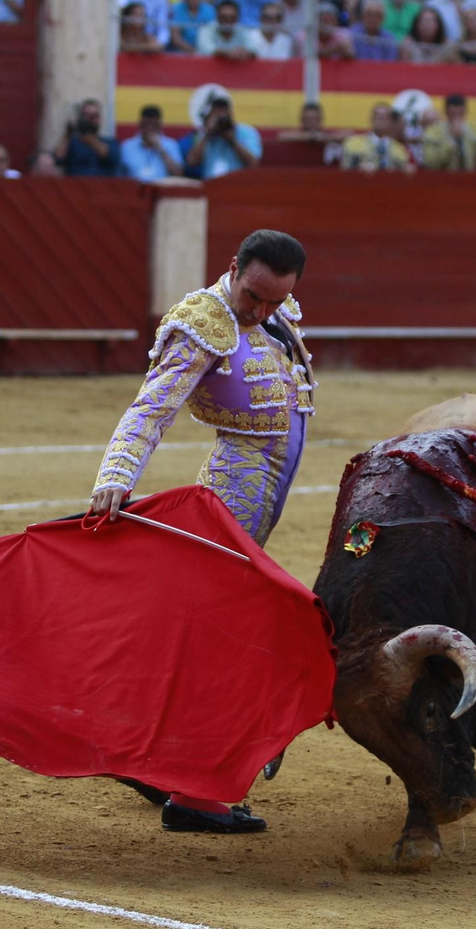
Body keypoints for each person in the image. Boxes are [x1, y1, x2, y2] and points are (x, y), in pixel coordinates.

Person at [87, 229, 313, 832]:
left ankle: (151, 757)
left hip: (263, 493)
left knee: (209, 632)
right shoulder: (201, 323)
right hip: (231, 496)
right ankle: (193, 792)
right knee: (222, 636)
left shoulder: (275, 311)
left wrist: (267, 311)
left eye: (275, 301)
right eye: (254, 297)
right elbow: (150, 409)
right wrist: (116, 474)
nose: (262, 312)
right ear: (232, 267)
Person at [184, 95, 262, 178]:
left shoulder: (246, 132)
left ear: (231, 115)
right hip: (211, 185)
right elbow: (191, 162)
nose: (221, 123)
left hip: (237, 184)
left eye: (223, 118)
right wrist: (207, 135)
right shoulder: (206, 134)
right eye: (217, 118)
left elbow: (253, 163)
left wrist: (232, 141)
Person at [339, 101, 412, 171]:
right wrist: (358, 169)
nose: (381, 119)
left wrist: (407, 169)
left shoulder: (399, 149)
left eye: (385, 117)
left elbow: (404, 173)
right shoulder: (353, 144)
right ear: (371, 118)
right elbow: (345, 170)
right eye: (378, 116)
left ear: (391, 121)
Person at [120, 104, 185, 181]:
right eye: (146, 125)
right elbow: (119, 175)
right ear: (140, 124)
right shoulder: (127, 146)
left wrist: (160, 148)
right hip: (134, 190)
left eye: (153, 125)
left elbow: (178, 173)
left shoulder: (171, 144)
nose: (149, 129)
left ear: (160, 125)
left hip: (162, 190)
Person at [54, 97, 117, 176]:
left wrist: (90, 139)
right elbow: (58, 158)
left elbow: (111, 157)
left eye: (94, 116)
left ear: (100, 118)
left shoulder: (110, 142)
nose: (90, 119)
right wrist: (68, 133)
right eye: (86, 115)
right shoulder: (73, 142)